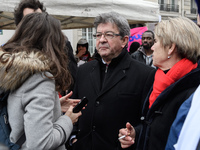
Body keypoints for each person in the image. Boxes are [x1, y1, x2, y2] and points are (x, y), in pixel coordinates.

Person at [69, 11, 155, 150]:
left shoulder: (145, 74)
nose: (101, 40)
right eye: (98, 35)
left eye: (108, 35)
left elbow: (149, 121)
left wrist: (135, 133)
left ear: (124, 40)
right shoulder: (84, 71)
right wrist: (73, 138)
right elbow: (74, 108)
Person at [0, 12, 82, 150]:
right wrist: (67, 120)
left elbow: (17, 109)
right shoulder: (40, 77)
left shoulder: (10, 69)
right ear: (52, 43)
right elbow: (41, 143)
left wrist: (54, 105)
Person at [118, 16, 200, 150]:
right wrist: (136, 133)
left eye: (156, 41)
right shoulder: (159, 80)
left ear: (171, 48)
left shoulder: (193, 93)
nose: (152, 46)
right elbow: (155, 129)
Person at [14, 0, 77, 94]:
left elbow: (71, 79)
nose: (38, 22)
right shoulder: (11, 54)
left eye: (40, 17)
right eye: (31, 19)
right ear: (20, 26)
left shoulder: (61, 45)